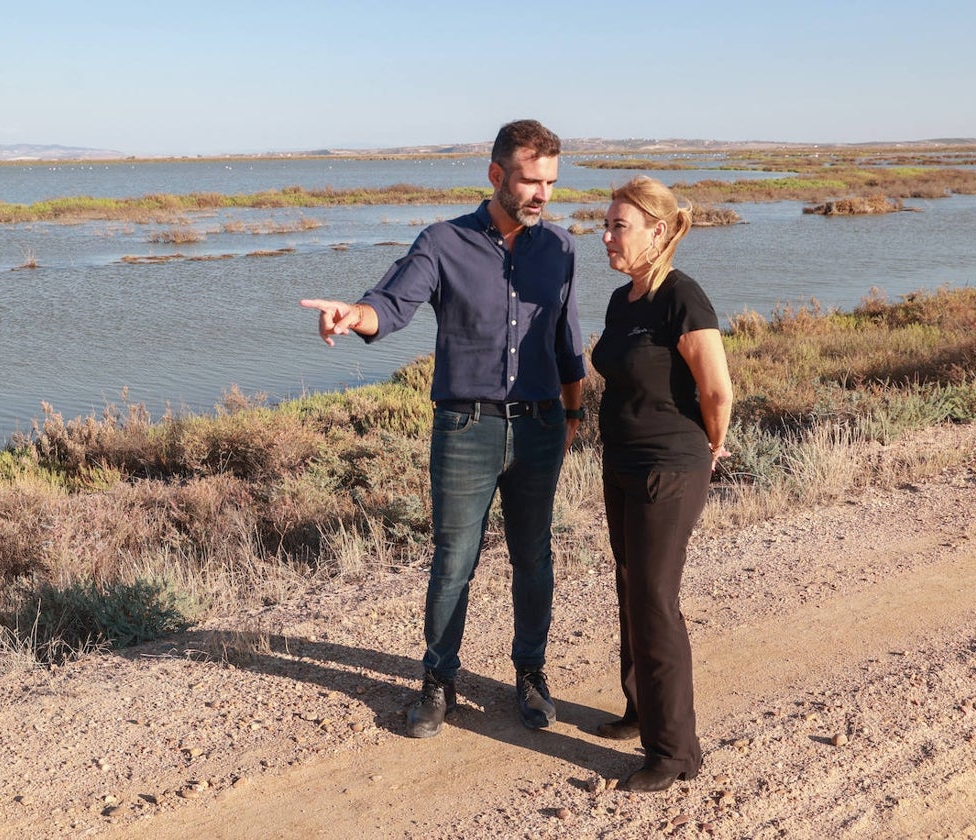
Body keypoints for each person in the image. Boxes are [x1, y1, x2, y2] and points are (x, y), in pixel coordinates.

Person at [301, 119, 586, 738]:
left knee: (533, 556)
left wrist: (573, 412)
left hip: (539, 427)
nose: (542, 194)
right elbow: (393, 305)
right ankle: (438, 681)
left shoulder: (560, 249)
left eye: (550, 183)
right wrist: (354, 315)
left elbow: (566, 338)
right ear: (495, 175)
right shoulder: (443, 242)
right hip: (465, 428)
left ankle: (531, 675)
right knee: (454, 558)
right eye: (530, 181)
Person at [589, 175, 733, 791]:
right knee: (630, 587)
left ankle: (674, 753)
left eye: (618, 225)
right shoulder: (623, 302)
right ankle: (639, 707)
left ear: (656, 231)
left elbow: (716, 390)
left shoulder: (683, 297)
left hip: (669, 467)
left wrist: (713, 445)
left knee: (654, 599)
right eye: (606, 223)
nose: (605, 235)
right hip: (621, 465)